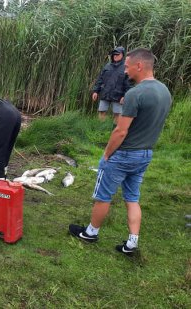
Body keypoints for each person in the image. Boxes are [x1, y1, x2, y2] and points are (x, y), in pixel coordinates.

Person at [69, 48, 172, 256]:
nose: (125, 70)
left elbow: (120, 130)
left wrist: (106, 155)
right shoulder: (164, 91)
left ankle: (90, 233)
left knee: (103, 196)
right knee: (132, 198)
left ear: (139, 65)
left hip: (124, 154)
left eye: (127, 66)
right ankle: (132, 243)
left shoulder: (136, 93)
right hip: (145, 154)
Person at [92, 46, 132, 124]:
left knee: (118, 114)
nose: (115, 56)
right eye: (114, 54)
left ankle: (115, 131)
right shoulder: (107, 66)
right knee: (101, 111)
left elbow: (129, 84)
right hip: (105, 93)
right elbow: (100, 79)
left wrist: (125, 96)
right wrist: (95, 91)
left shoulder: (126, 67)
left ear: (122, 55)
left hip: (118, 95)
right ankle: (100, 130)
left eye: (117, 54)